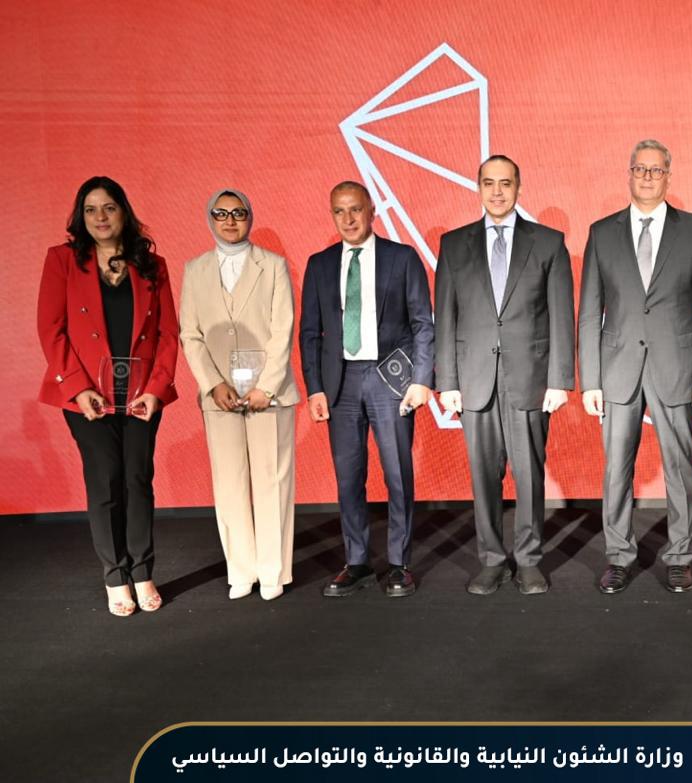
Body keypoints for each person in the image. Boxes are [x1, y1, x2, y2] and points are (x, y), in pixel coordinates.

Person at [578, 139, 692, 594]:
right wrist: (590, 380)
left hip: (677, 367)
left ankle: (679, 556)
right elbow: (590, 313)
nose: (647, 177)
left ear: (668, 177)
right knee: (616, 469)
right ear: (629, 173)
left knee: (680, 467)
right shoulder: (602, 232)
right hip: (617, 369)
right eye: (640, 169)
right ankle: (619, 556)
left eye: (656, 170)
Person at [36, 176, 179, 616]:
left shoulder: (152, 265)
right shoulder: (62, 260)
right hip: (87, 396)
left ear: (124, 212)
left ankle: (143, 571)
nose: (100, 217)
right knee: (106, 479)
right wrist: (78, 388)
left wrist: (156, 389)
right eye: (91, 209)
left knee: (137, 479)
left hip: (140, 396)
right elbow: (51, 330)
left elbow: (168, 334)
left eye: (109, 207)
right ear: (81, 217)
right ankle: (116, 576)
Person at [435, 156, 575, 595]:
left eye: (506, 183)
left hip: (530, 378)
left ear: (519, 187)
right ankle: (492, 561)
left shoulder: (548, 242)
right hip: (474, 380)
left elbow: (561, 315)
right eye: (489, 183)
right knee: (483, 476)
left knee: (529, 476)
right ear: (478, 187)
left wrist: (560, 380)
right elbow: (445, 317)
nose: (497, 191)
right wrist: (447, 382)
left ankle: (529, 561)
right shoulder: (454, 245)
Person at [298, 181, 434, 598]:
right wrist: (315, 388)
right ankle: (356, 561)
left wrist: (421, 380)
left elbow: (422, 323)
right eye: (339, 211)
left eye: (355, 209)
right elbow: (310, 333)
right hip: (340, 384)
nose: (348, 219)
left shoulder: (401, 257)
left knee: (397, 474)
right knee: (348, 477)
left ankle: (398, 563)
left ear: (371, 211)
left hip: (389, 379)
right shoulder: (320, 264)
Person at [179, 189, 300, 601]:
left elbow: (283, 328)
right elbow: (191, 334)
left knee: (272, 481)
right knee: (229, 483)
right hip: (220, 396)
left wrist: (267, 385)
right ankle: (241, 570)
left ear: (250, 216)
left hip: (270, 393)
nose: (230, 220)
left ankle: (272, 571)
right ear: (209, 218)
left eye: (238, 212)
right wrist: (213, 383)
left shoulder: (274, 265)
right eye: (221, 213)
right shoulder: (195, 269)